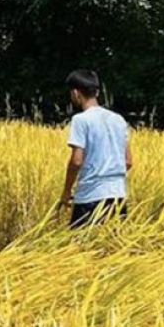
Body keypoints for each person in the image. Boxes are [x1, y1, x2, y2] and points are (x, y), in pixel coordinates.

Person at [60, 69, 132, 228]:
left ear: (76, 93)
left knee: (80, 248)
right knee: (114, 247)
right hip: (118, 195)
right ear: (97, 92)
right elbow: (128, 161)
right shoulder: (118, 120)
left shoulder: (81, 120)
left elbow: (76, 161)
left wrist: (66, 192)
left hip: (90, 197)